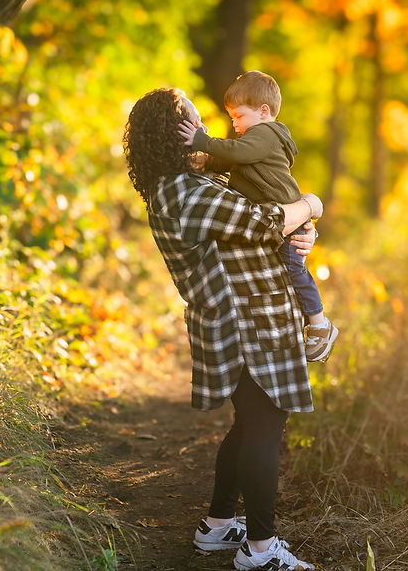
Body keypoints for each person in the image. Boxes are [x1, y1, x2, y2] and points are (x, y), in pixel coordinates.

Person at [123, 87, 318, 571]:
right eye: (192, 116)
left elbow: (265, 218)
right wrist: (311, 205)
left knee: (250, 423)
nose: (205, 124)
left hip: (241, 317)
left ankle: (216, 526)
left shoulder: (184, 186)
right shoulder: (184, 193)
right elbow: (265, 219)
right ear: (176, 132)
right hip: (245, 323)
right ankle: (260, 550)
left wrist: (299, 231)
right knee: (265, 427)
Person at [177, 70, 338, 363]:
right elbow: (231, 160)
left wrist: (202, 141)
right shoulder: (255, 139)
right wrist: (206, 160)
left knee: (293, 271)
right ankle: (308, 322)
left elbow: (238, 153)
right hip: (286, 216)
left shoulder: (264, 134)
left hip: (288, 220)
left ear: (264, 112)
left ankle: (319, 324)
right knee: (286, 272)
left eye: (238, 116)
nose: (234, 124)